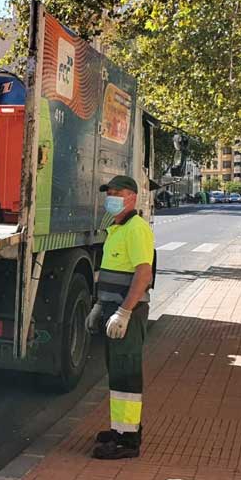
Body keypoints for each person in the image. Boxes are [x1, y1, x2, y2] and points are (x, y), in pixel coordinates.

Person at [85, 175, 155, 460]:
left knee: (126, 376)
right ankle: (122, 429)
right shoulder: (116, 228)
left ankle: (127, 442)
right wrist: (99, 308)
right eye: (109, 192)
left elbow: (143, 274)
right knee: (117, 373)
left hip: (129, 314)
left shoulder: (136, 229)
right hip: (114, 311)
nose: (111, 197)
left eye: (118, 192)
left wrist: (124, 312)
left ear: (132, 198)